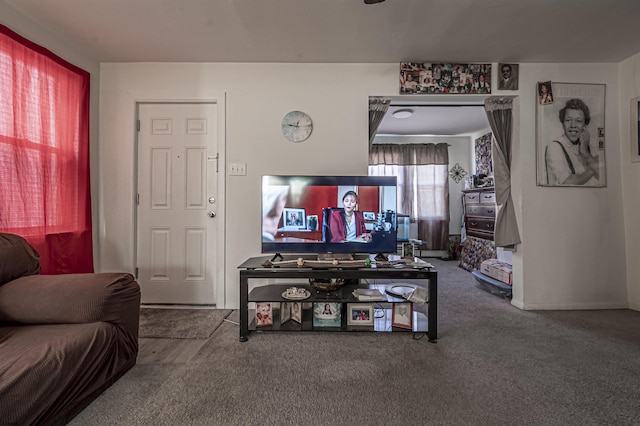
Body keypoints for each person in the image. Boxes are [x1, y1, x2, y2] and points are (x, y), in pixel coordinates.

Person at [545, 98, 599, 185]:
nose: (573, 125)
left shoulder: (589, 147)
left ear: (585, 125)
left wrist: (585, 153)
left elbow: (603, 175)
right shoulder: (554, 147)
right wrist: (593, 170)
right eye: (568, 120)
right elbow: (568, 182)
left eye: (578, 121)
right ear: (562, 123)